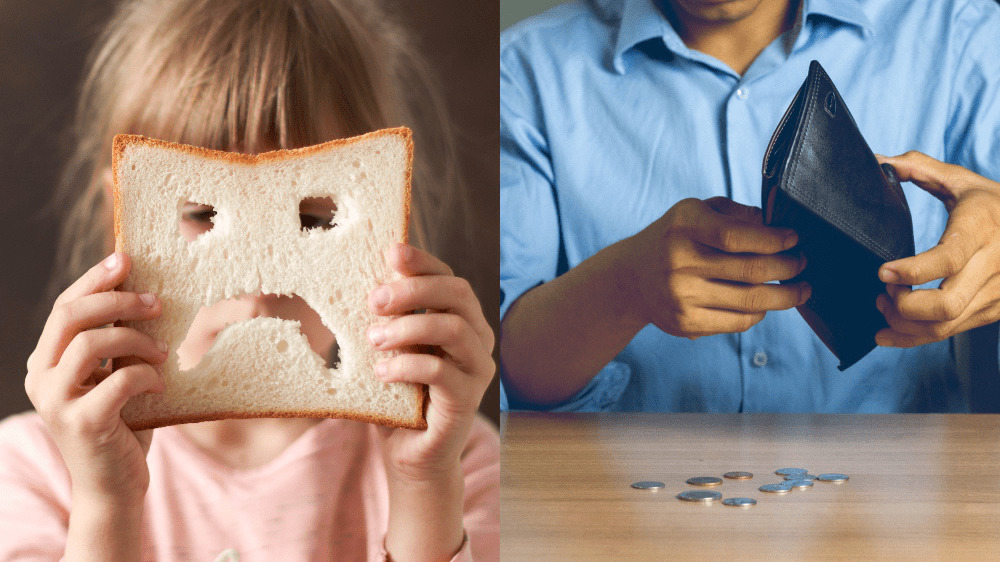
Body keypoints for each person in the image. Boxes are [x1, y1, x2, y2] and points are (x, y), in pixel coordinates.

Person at [0, 0, 498, 560]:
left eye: (315, 219)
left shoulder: (454, 459)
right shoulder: (35, 469)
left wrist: (422, 488)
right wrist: (106, 500)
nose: (260, 283)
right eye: (201, 213)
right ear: (123, 216)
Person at [500, 0, 1000, 412]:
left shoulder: (960, 31)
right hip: (620, 492)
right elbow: (503, 373)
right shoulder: (523, 72)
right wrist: (625, 287)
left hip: (899, 488)